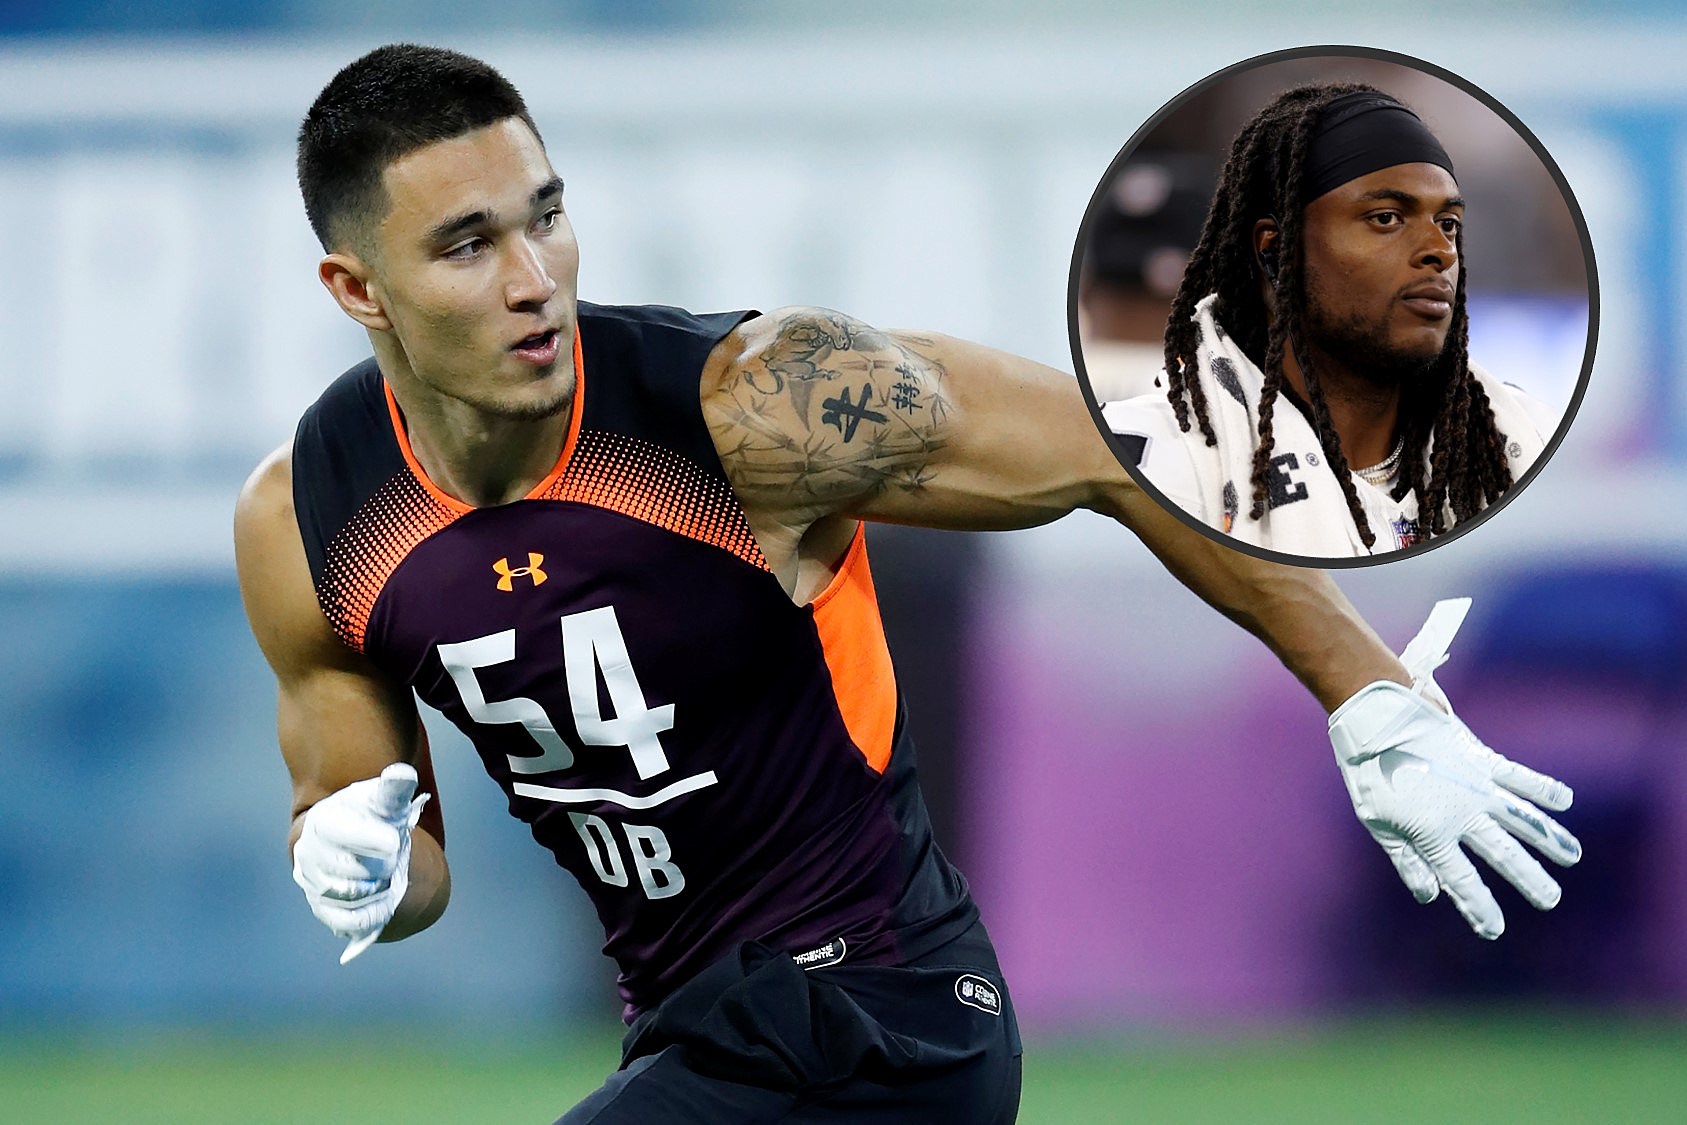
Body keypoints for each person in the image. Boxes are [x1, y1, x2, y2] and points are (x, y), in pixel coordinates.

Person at [233, 46, 1582, 1123]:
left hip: (879, 1015)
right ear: (356, 286)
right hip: (699, 1036)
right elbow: (395, 869)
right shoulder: (306, 522)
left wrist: (1368, 693)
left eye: (546, 217)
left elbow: (1117, 455)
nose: (535, 281)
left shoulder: (749, 410)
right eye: (467, 246)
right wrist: (354, 872)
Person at [1100, 83, 1559, 558]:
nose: (1439, 252)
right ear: (1276, 250)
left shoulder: (1523, 435)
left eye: (1448, 224)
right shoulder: (1163, 457)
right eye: (1386, 218)